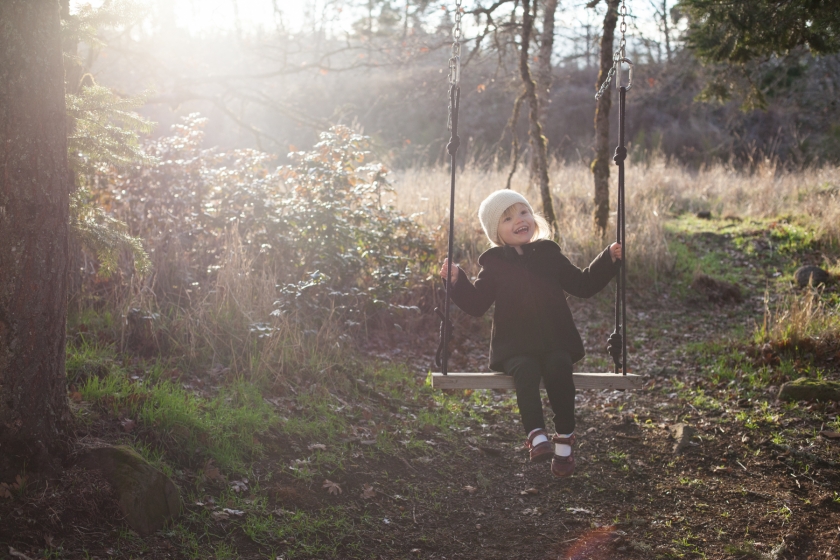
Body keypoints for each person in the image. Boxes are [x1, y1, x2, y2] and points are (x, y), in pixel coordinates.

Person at [439, 189, 622, 477]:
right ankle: (536, 436)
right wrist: (457, 281)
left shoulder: (550, 254)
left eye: (523, 212)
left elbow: (583, 284)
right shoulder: (495, 264)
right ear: (496, 232)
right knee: (525, 370)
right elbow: (476, 304)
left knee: (559, 367)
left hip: (555, 340)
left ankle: (564, 439)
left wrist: (607, 260)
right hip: (515, 346)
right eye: (508, 218)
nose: (519, 220)